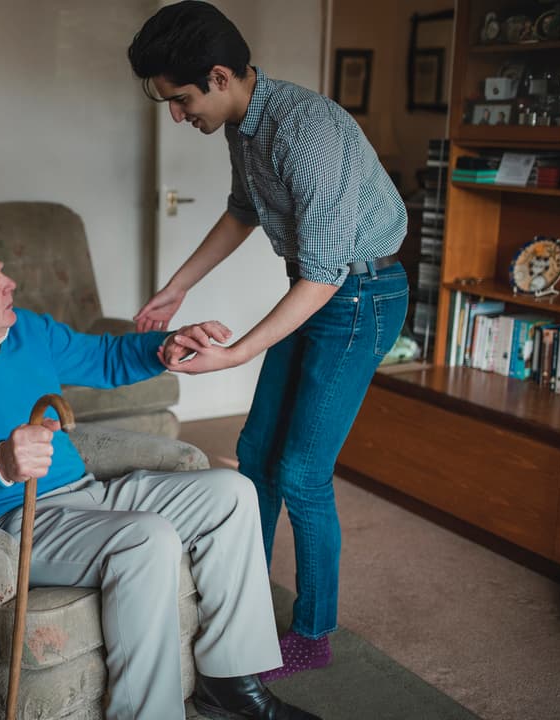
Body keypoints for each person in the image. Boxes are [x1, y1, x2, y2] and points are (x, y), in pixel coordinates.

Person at [0, 222, 322, 720]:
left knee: (231, 491)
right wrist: (1, 462)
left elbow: (104, 357)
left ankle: (228, 684)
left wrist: (168, 346)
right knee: (147, 536)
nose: (9, 284)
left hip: (88, 492)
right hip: (17, 520)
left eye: (1, 273)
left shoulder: (24, 329)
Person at [127, 1, 409, 682]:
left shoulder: (305, 132)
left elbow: (324, 276)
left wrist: (241, 350)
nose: (176, 114)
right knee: (255, 451)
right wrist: (177, 287)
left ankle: (313, 633)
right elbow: (244, 211)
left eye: (181, 98)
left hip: (361, 297)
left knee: (302, 474)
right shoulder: (244, 123)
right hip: (318, 289)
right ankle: (240, 603)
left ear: (220, 76)